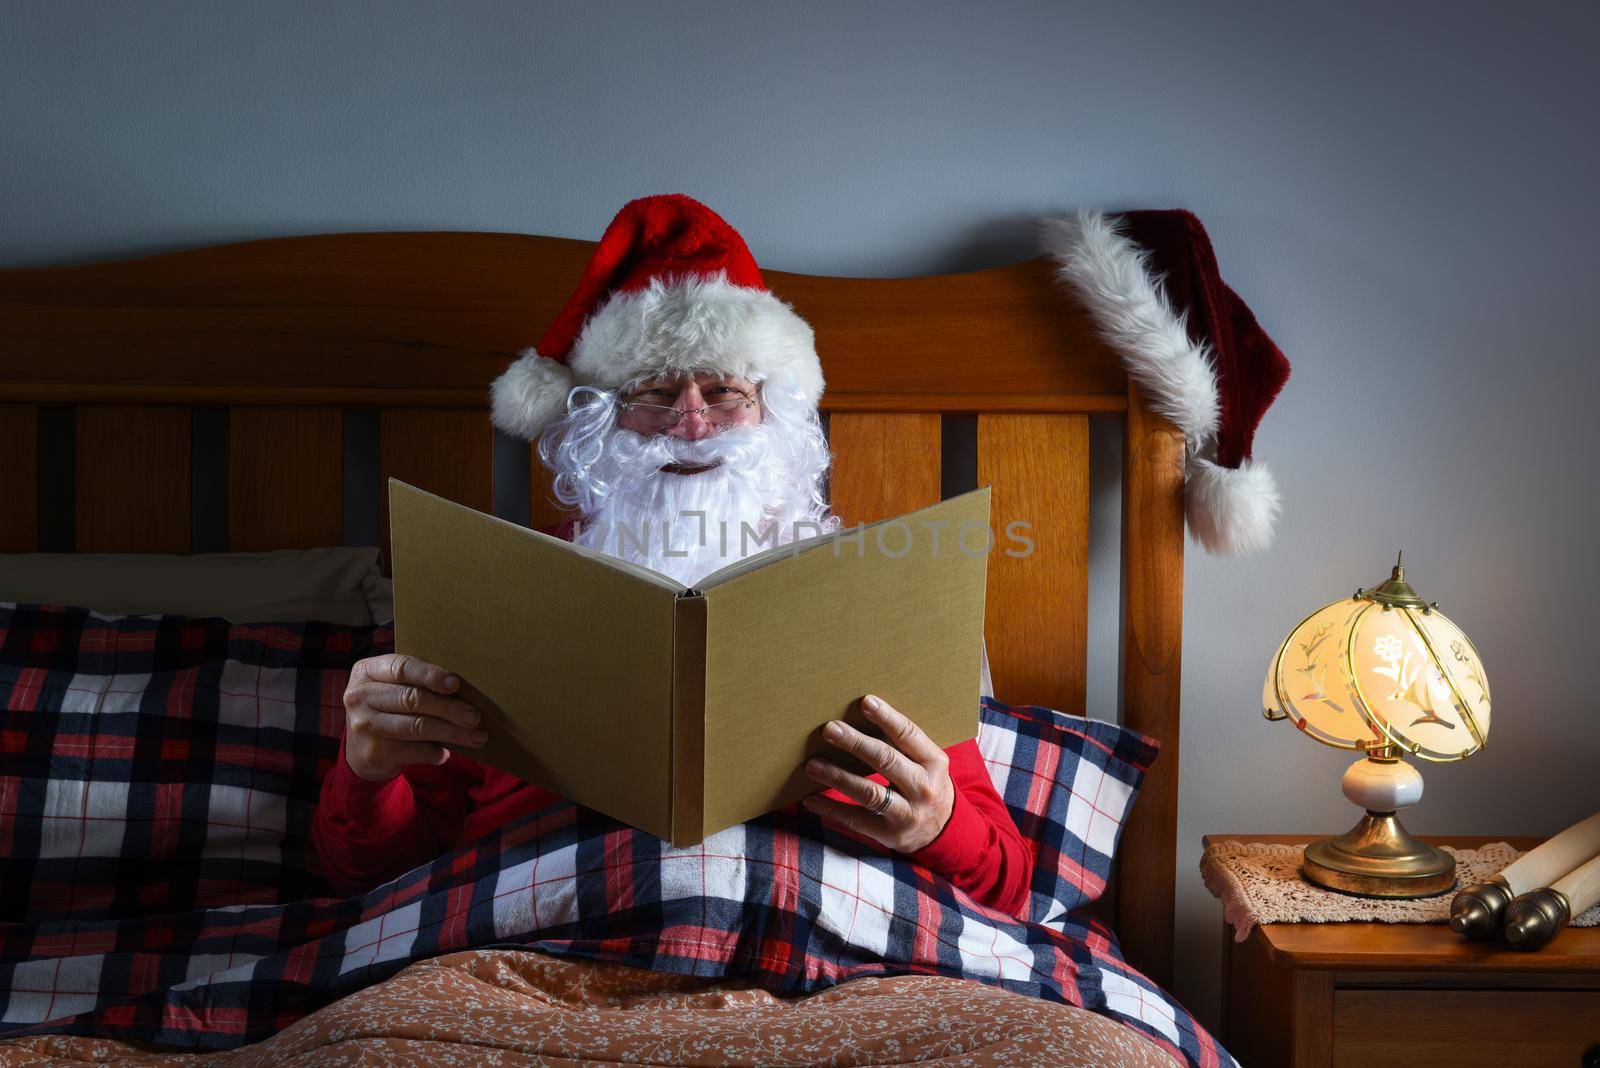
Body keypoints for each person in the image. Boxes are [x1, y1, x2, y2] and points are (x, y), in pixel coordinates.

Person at [312, 195, 1032, 916]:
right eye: (654, 393)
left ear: (773, 414)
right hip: (542, 937)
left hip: (814, 944)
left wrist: (939, 825)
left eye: (723, 392)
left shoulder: (872, 594)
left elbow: (1008, 885)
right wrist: (365, 772)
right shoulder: (495, 589)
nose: (690, 424)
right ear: (598, 422)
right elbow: (362, 879)